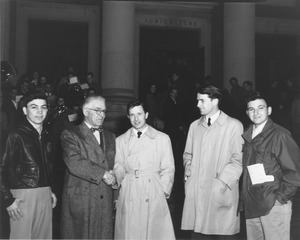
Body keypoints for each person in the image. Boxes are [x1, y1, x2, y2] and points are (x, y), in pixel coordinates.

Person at [181, 85, 244, 239]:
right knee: (198, 234)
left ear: (215, 100)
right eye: (197, 101)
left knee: (222, 232)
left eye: (202, 101)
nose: (197, 105)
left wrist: (220, 183)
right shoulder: (194, 126)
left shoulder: (234, 125)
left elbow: (238, 160)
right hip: (197, 194)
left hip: (221, 193)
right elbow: (187, 154)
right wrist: (189, 174)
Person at [113, 100, 176, 239]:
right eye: (132, 115)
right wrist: (115, 179)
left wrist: (163, 191)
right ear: (128, 117)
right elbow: (119, 166)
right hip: (130, 190)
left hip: (153, 190)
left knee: (153, 232)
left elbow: (168, 168)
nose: (136, 119)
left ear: (146, 114)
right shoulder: (120, 141)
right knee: (130, 233)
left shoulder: (162, 138)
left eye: (139, 114)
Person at [240, 94, 300, 240]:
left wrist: (279, 199)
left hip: (272, 204)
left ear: (269, 110)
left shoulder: (280, 135)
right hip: (253, 203)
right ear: (247, 113)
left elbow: (294, 173)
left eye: (261, 108)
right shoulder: (248, 135)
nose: (256, 113)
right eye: (251, 109)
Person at [0, 92, 57, 239]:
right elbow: (1, 168)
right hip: (22, 196)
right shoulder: (15, 134)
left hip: (45, 194)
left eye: (43, 107)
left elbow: (48, 166)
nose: (39, 111)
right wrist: (7, 199)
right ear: (25, 110)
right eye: (34, 107)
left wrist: (50, 190)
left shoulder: (47, 135)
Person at [60, 94, 116, 239]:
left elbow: (115, 164)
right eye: (97, 110)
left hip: (105, 199)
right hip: (82, 199)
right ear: (85, 112)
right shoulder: (70, 134)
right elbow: (74, 162)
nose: (102, 115)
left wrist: (115, 182)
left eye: (103, 111)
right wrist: (103, 174)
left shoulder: (111, 136)